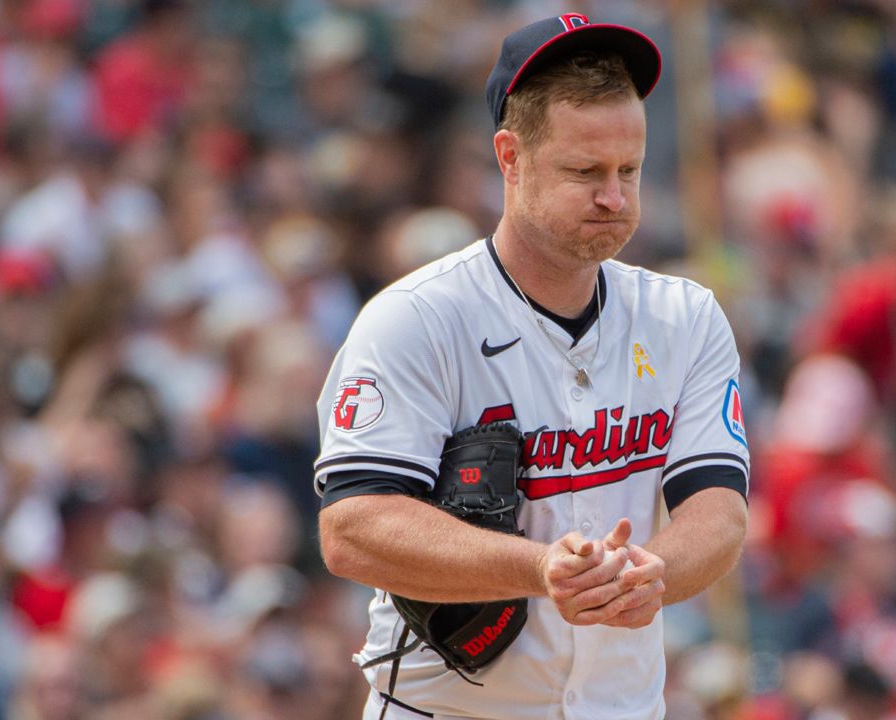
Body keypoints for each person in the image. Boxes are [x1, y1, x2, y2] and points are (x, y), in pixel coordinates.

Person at [314, 14, 750, 720]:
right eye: (585, 171)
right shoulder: (418, 317)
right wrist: (538, 568)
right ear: (510, 157)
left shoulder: (685, 316)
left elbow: (720, 512)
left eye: (629, 170)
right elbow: (353, 528)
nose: (614, 195)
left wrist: (657, 573)